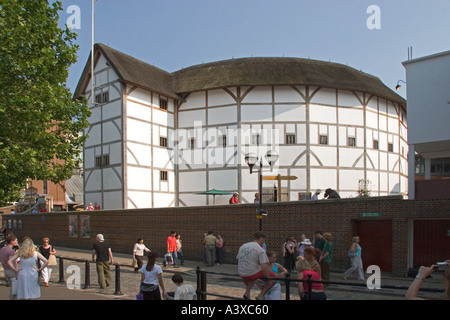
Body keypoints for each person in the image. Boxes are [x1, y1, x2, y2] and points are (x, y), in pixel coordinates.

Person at [236, 231, 277, 300]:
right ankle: (261, 295)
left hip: (241, 272)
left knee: (255, 273)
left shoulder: (243, 246)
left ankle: (247, 292)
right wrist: (268, 278)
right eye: (264, 240)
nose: (264, 242)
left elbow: (239, 258)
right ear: (261, 238)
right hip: (251, 273)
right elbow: (264, 266)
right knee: (275, 277)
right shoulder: (260, 249)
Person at [1, 235, 19, 299]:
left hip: (5, 270)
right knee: (15, 291)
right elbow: (10, 261)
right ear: (12, 241)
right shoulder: (10, 251)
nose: (17, 241)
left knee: (13, 290)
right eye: (16, 240)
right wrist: (15, 270)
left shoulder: (3, 249)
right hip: (11, 271)